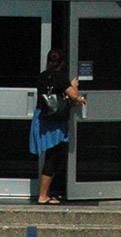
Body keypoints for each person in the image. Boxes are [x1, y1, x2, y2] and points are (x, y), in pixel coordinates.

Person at [29, 48, 85, 204]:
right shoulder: (60, 77)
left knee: (52, 155)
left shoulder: (42, 76)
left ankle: (45, 193)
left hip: (42, 118)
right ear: (62, 62)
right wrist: (75, 88)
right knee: (54, 156)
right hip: (54, 122)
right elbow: (74, 95)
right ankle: (43, 195)